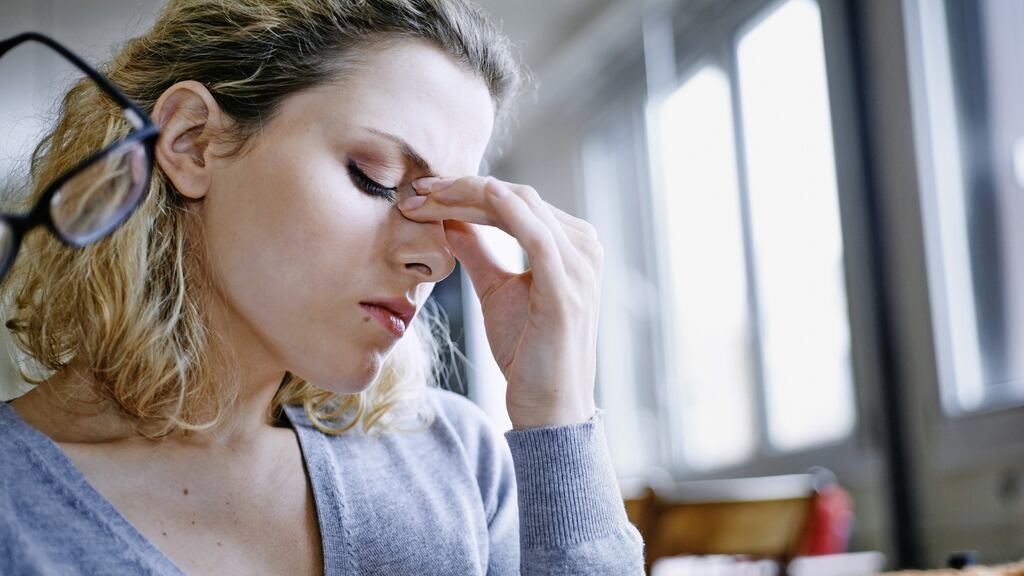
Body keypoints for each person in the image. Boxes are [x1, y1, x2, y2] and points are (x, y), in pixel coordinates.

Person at [0, 0, 645, 574]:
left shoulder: (459, 460)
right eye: (375, 177)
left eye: (446, 213)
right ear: (193, 142)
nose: (436, 261)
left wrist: (559, 415)